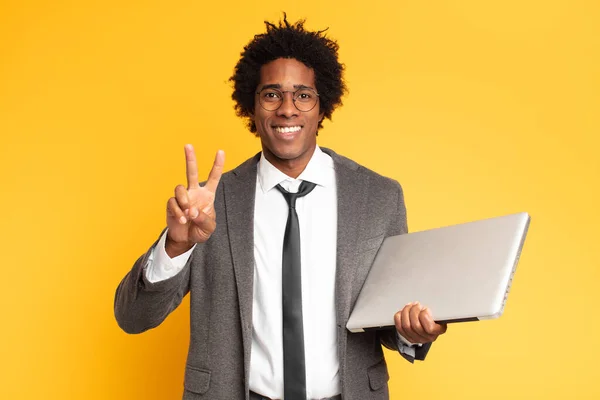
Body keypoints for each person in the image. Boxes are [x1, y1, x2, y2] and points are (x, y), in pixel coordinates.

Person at [114, 15, 447, 400]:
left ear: (322, 107)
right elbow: (133, 317)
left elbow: (391, 320)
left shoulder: (378, 198)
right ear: (251, 108)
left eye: (303, 95)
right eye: (272, 94)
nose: (288, 109)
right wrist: (176, 246)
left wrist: (413, 331)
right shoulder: (211, 204)